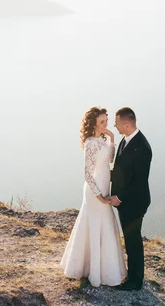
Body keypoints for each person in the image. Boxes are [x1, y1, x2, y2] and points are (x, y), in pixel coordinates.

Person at [60, 107, 127, 287]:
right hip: (94, 193)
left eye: (106, 120)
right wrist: (99, 197)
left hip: (104, 189)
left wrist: (112, 138)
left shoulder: (102, 140)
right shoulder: (90, 144)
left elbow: (110, 160)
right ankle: (91, 271)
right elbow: (88, 175)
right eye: (102, 122)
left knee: (105, 226)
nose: (106, 124)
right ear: (93, 125)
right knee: (95, 224)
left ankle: (105, 270)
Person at [109, 107, 153, 291]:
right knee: (129, 239)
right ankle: (133, 275)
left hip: (134, 203)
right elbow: (121, 171)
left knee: (133, 241)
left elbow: (139, 182)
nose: (115, 126)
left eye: (116, 123)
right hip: (124, 203)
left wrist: (119, 197)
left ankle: (135, 281)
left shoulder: (142, 147)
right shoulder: (125, 140)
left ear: (126, 124)